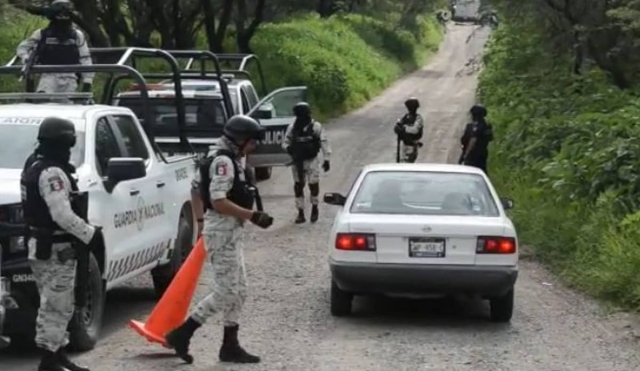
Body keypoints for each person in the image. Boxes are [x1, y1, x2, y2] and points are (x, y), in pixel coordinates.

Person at [166, 115, 274, 365]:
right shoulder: (223, 162)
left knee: (240, 290)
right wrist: (253, 215)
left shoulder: (218, 156)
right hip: (223, 231)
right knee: (225, 292)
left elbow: (195, 189)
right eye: (251, 142)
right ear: (239, 140)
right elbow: (218, 201)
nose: (254, 147)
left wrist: (200, 222)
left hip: (227, 230)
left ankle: (230, 344)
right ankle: (182, 333)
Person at [21, 117, 101, 371]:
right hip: (55, 249)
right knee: (56, 305)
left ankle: (57, 354)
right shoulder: (52, 173)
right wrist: (90, 233)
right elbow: (61, 215)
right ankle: (49, 360)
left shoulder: (34, 164)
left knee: (60, 304)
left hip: (46, 246)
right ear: (64, 141)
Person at [16, 0, 94, 94]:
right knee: (44, 105)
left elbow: (85, 59)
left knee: (68, 108)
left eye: (66, 15)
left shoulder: (77, 35)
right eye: (60, 15)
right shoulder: (41, 34)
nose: (63, 18)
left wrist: (87, 82)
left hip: (70, 77)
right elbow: (22, 48)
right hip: (48, 76)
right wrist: (25, 57)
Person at [283, 102, 331, 224]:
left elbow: (324, 142)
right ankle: (300, 212)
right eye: (299, 115)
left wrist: (327, 159)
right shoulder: (292, 128)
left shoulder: (316, 127)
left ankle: (315, 207)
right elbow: (285, 142)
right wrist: (289, 149)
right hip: (297, 161)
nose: (301, 117)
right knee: (298, 186)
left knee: (313, 184)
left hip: (312, 160)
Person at [460, 104, 493, 174]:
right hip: (483, 152)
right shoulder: (487, 125)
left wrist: (466, 154)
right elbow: (490, 138)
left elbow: (473, 140)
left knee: (468, 171)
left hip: (473, 154)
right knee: (482, 170)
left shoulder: (476, 127)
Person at [394, 97, 424, 163]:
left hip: (412, 145)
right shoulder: (406, 116)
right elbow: (399, 126)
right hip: (404, 144)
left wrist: (404, 128)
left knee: (407, 163)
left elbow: (415, 130)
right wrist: (398, 127)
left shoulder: (418, 118)